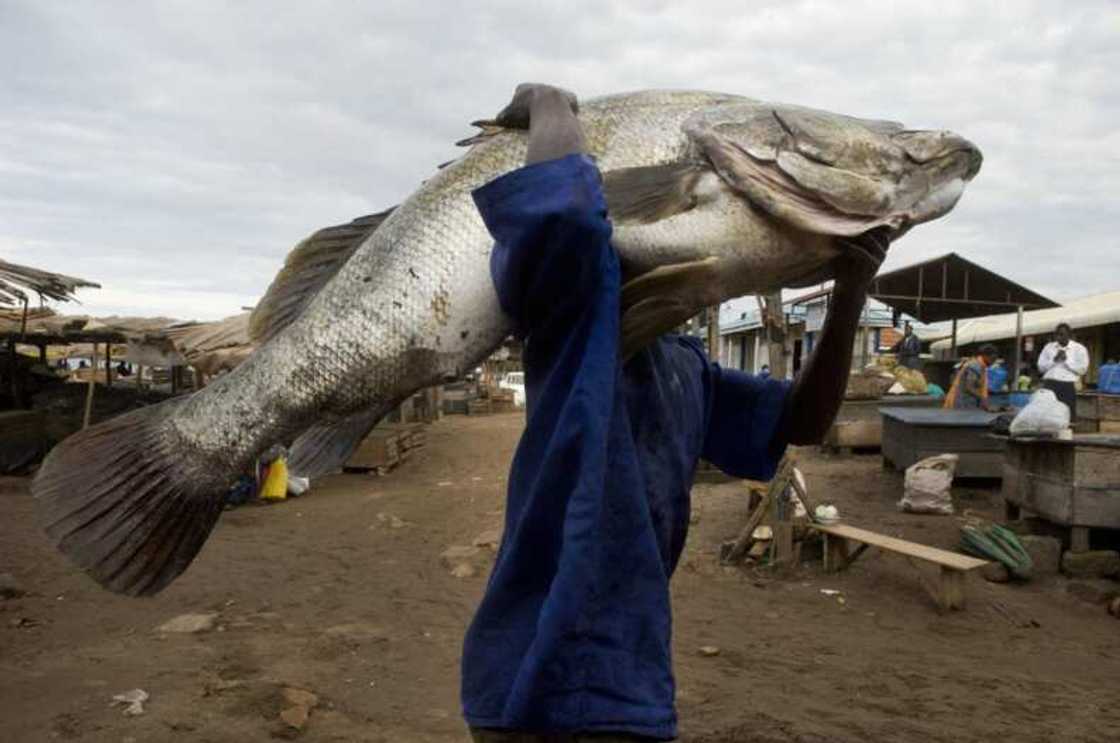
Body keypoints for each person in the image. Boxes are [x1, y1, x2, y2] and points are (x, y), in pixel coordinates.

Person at [461, 83, 888, 742]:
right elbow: (564, 221)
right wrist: (550, 105)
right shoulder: (575, 323)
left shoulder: (685, 367)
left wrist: (850, 294)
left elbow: (799, 422)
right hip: (531, 679)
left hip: (629, 680)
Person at [1037, 322, 1088, 419]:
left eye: (1062, 334)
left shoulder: (1079, 349)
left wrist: (1067, 361)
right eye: (1057, 334)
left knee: (1067, 412)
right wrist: (1054, 360)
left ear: (1069, 335)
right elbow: (1040, 367)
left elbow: (1083, 369)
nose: (1058, 337)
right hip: (1050, 383)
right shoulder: (1049, 347)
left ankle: (1067, 430)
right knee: (1048, 412)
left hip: (1068, 385)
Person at [943, 344, 998, 410]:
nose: (993, 362)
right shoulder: (975, 366)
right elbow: (969, 387)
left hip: (967, 403)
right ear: (985, 356)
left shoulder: (981, 366)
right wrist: (983, 398)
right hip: (963, 403)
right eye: (992, 359)